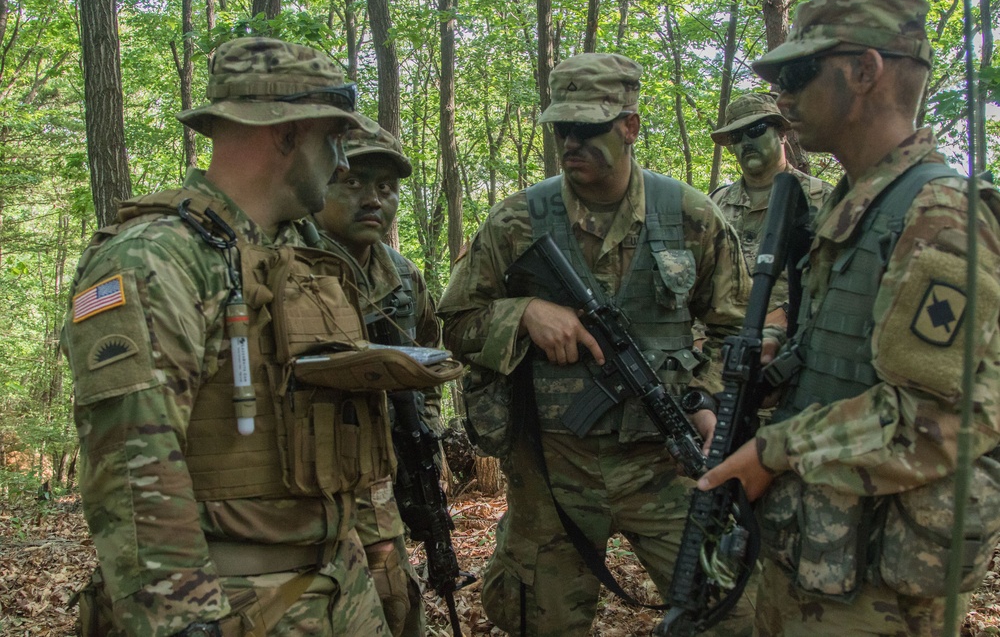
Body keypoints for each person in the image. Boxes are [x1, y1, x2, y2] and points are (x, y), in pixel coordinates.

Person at [61, 37, 394, 636]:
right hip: (237, 606)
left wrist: (379, 558)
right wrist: (185, 622)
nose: (343, 162)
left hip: (337, 591)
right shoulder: (155, 258)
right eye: (332, 138)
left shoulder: (298, 257)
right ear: (287, 134)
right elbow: (132, 472)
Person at [698, 0, 1000, 636]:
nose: (784, 95)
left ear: (866, 71)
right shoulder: (853, 204)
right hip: (814, 555)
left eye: (800, 73)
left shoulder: (937, 213)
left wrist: (771, 450)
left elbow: (934, 421)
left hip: (877, 589)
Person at [437, 52, 750, 636]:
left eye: (587, 129)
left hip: (661, 466)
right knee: (543, 622)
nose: (570, 143)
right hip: (552, 472)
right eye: (562, 129)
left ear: (629, 126)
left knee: (730, 616)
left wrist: (707, 399)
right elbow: (454, 322)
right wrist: (525, 313)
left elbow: (736, 327)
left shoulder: (690, 216)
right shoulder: (517, 222)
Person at [312, 126, 443, 637]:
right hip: (310, 483)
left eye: (386, 188)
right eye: (354, 182)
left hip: (383, 477)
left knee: (397, 603)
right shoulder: (288, 266)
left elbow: (431, 356)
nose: (373, 199)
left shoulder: (403, 278)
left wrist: (422, 423)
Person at [709, 92, 833, 331]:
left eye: (756, 130)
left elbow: (837, 282)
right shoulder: (714, 203)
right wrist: (696, 339)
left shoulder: (821, 200)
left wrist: (787, 313)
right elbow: (694, 281)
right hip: (715, 351)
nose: (746, 142)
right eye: (737, 136)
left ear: (781, 134)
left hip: (788, 350)